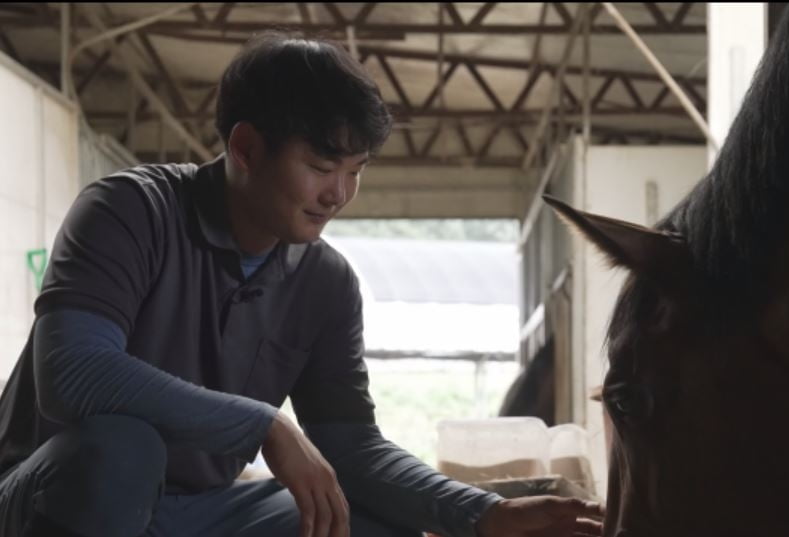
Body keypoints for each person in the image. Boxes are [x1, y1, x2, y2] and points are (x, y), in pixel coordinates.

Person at [0, 34, 603, 537]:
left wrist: (483, 512)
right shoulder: (130, 209)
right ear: (244, 148)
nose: (338, 195)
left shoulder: (326, 282)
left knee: (366, 522)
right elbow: (73, 372)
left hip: (199, 513)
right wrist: (263, 423)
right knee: (123, 451)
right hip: (56, 495)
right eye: (320, 168)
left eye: (354, 171)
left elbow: (353, 447)